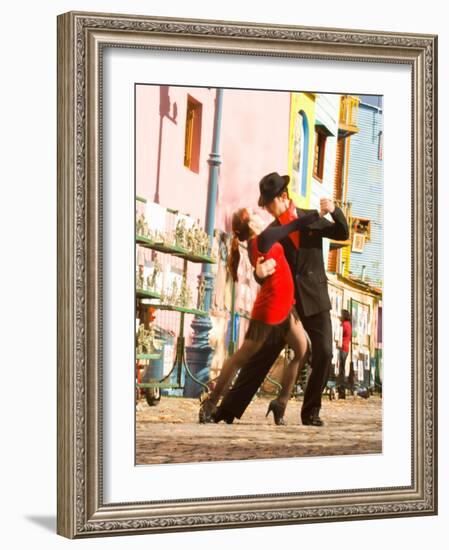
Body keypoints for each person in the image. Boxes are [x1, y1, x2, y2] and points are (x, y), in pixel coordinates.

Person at [215, 172, 349, 427]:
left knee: (324, 352)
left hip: (316, 298)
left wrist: (334, 209)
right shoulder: (273, 231)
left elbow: (342, 233)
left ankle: (310, 412)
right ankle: (225, 411)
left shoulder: (311, 218)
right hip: (288, 304)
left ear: (283, 197)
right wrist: (258, 274)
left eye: (269, 203)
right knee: (262, 357)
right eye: (263, 205)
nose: (266, 209)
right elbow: (261, 265)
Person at [199, 206, 320, 425]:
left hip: (285, 308)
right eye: (253, 214)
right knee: (241, 357)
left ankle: (280, 403)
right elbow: (294, 225)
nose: (258, 214)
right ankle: (210, 403)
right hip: (270, 310)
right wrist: (316, 215)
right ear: (251, 224)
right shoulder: (263, 238)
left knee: (302, 350)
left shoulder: (257, 243)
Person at [337, 309, 352, 399]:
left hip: (342, 348)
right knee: (342, 369)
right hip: (346, 349)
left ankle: (341, 390)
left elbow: (339, 334)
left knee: (341, 370)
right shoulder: (349, 324)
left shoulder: (344, 324)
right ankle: (342, 390)